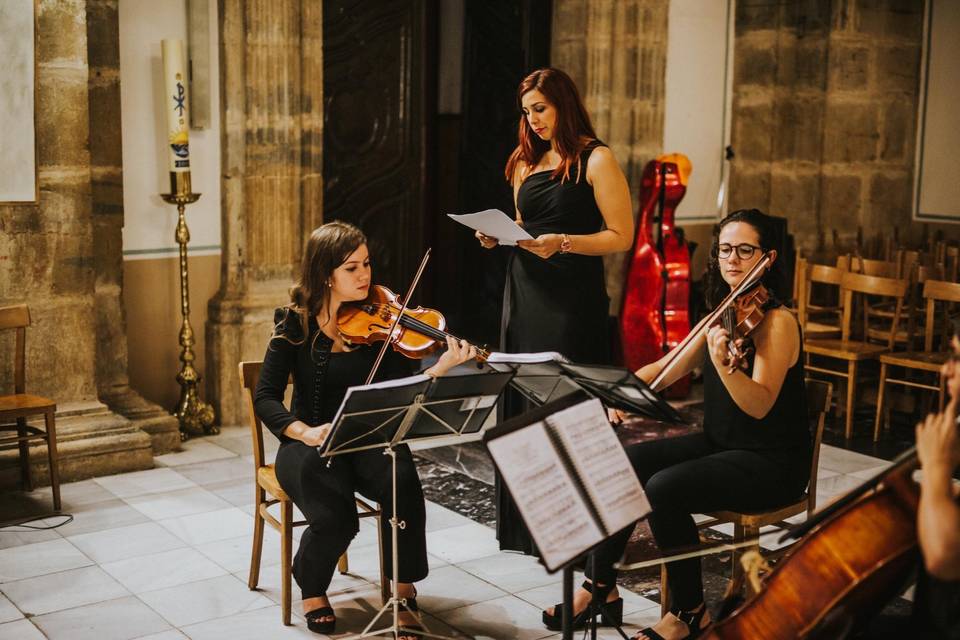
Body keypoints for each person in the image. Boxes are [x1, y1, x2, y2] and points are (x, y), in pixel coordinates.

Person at [541, 209, 812, 639]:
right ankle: (600, 588)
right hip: (722, 444)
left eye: (745, 250)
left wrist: (725, 368)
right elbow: (662, 367)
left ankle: (689, 614)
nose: (733, 260)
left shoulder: (776, 323)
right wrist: (619, 393)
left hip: (771, 462)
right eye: (725, 249)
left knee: (664, 488)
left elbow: (759, 405)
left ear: (769, 257)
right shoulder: (722, 313)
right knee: (624, 462)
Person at [254, 221, 476, 637]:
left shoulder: (384, 326)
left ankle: (403, 589)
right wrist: (302, 430)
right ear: (326, 275)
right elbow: (265, 396)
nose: (365, 276)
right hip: (309, 443)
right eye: (352, 268)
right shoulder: (293, 324)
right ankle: (312, 584)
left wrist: (438, 371)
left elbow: (401, 391)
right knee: (338, 518)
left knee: (403, 483)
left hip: (369, 437)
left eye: (367, 264)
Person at [476, 67, 634, 554]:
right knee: (525, 397)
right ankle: (533, 527)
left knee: (567, 403)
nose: (533, 120)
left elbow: (620, 236)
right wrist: (499, 235)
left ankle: (583, 530)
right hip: (524, 293)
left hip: (571, 300)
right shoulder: (525, 161)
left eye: (540, 109)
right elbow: (526, 226)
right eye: (527, 112)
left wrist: (562, 243)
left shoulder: (596, 158)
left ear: (564, 103)